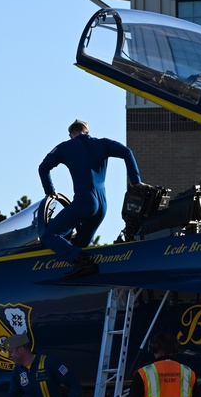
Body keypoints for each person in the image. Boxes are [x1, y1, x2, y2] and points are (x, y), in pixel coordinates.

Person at [38, 119, 145, 278]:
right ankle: (85, 268)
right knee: (80, 245)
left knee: (50, 236)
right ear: (87, 131)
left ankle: (83, 262)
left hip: (85, 201)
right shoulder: (102, 143)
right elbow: (127, 152)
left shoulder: (65, 147)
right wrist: (136, 182)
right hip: (102, 206)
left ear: (70, 135)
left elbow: (43, 168)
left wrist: (50, 191)